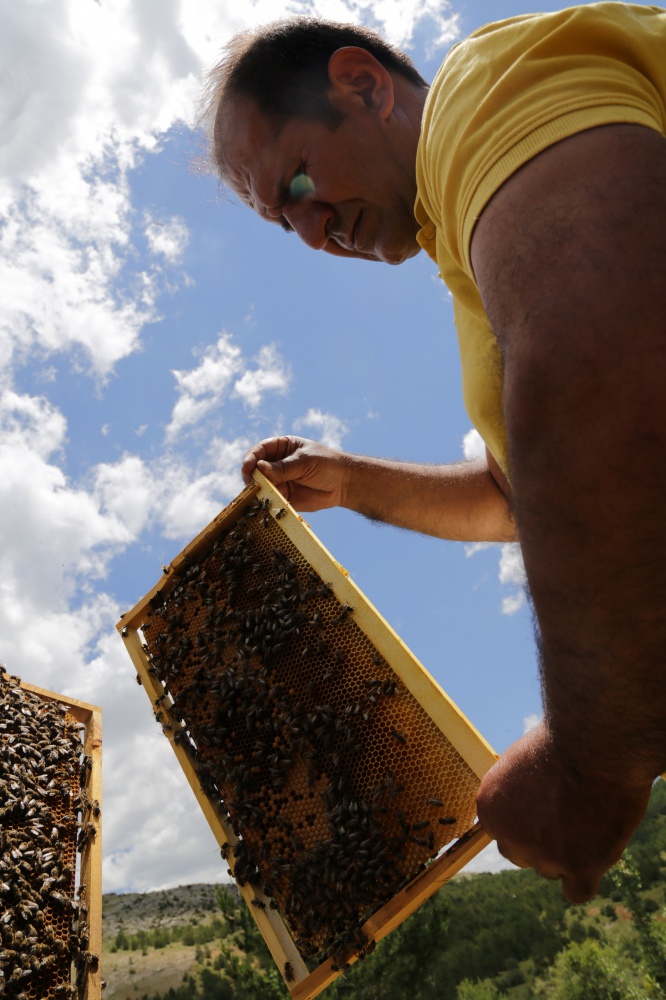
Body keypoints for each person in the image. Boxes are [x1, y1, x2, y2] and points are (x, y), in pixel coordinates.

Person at [201, 4, 666, 903]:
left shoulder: (485, 91)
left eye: (298, 182)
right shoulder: (469, 247)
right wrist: (350, 481)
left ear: (363, 86)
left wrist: (591, 767)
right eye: (285, 224)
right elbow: (520, 494)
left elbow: (607, 382)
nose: (312, 233)